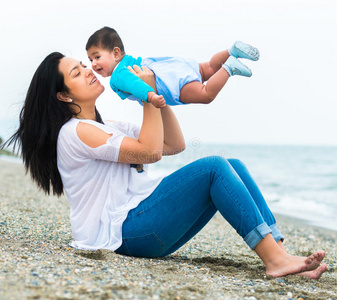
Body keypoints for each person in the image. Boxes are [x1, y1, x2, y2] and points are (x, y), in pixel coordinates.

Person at [3, 52, 327, 280]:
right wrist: (145, 96)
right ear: (62, 95)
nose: (89, 70)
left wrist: (155, 91)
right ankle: (274, 260)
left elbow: (173, 145)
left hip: (142, 225)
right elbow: (149, 153)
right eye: (77, 73)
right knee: (214, 167)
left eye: (83, 65)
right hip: (125, 233)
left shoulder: (105, 125)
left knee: (233, 165)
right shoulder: (76, 132)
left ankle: (280, 252)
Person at [86, 27, 258, 108]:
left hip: (166, 82)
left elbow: (135, 84)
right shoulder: (130, 61)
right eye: (90, 59)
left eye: (97, 57)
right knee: (211, 67)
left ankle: (230, 68)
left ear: (116, 53)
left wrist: (151, 96)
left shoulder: (118, 75)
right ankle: (231, 51)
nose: (93, 64)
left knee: (205, 94)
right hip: (170, 65)